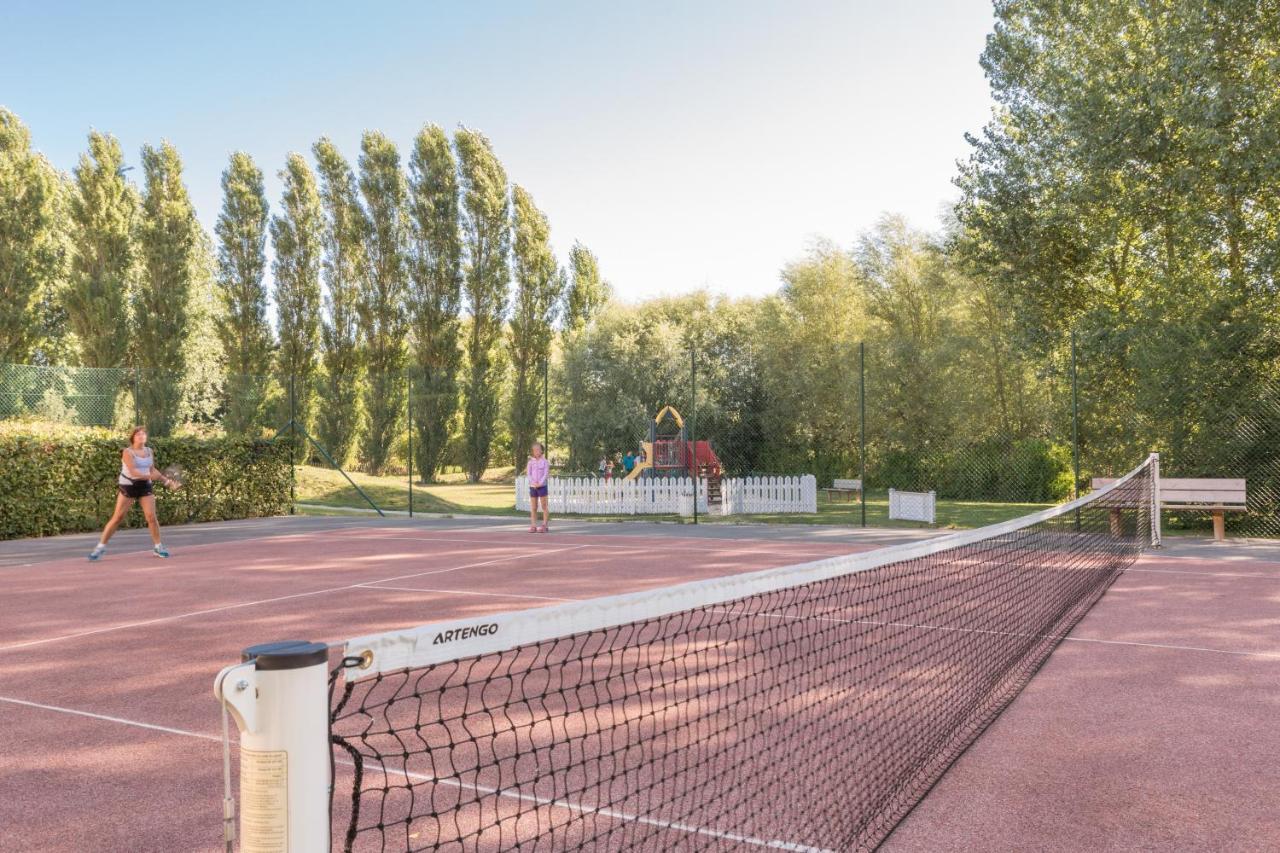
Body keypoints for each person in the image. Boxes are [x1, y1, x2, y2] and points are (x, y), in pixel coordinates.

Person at [88, 426, 180, 561]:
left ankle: (158, 546)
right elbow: (133, 472)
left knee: (151, 517)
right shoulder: (127, 452)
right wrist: (149, 476)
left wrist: (167, 482)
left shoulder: (149, 451)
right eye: (138, 434)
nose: (141, 436)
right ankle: (100, 547)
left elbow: (152, 470)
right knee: (117, 518)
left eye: (143, 434)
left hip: (145, 487)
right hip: (128, 486)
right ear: (133, 438)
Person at [527, 442, 551, 533]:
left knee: (544, 506)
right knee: (534, 507)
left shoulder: (545, 461)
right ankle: (533, 525)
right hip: (533, 487)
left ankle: (545, 525)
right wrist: (533, 482)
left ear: (541, 450)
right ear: (533, 451)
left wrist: (540, 483)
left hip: (542, 486)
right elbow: (528, 474)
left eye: (538, 449)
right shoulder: (530, 462)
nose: (536, 451)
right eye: (534, 450)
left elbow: (546, 473)